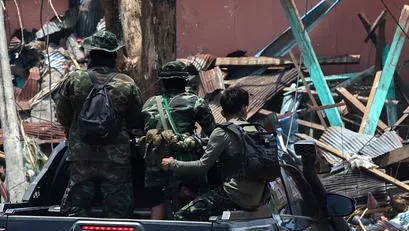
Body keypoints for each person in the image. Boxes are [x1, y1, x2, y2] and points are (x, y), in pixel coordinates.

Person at [53, 30, 143, 218]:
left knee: (75, 209)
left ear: (90, 54)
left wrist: (74, 132)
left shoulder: (74, 79)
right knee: (118, 212)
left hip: (81, 154)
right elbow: (136, 121)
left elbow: (62, 114)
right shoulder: (126, 84)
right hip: (116, 158)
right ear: (114, 56)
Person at [163, 86, 266, 220]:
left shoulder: (222, 132)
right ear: (244, 109)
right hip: (258, 197)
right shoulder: (257, 131)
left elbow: (202, 166)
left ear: (222, 113)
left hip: (233, 195)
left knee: (180, 217)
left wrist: (173, 164)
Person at [140, 60, 216, 219]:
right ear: (184, 81)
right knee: (189, 205)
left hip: (155, 166)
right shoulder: (195, 101)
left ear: (163, 82)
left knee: (157, 202)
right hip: (183, 165)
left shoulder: (149, 103)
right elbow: (212, 133)